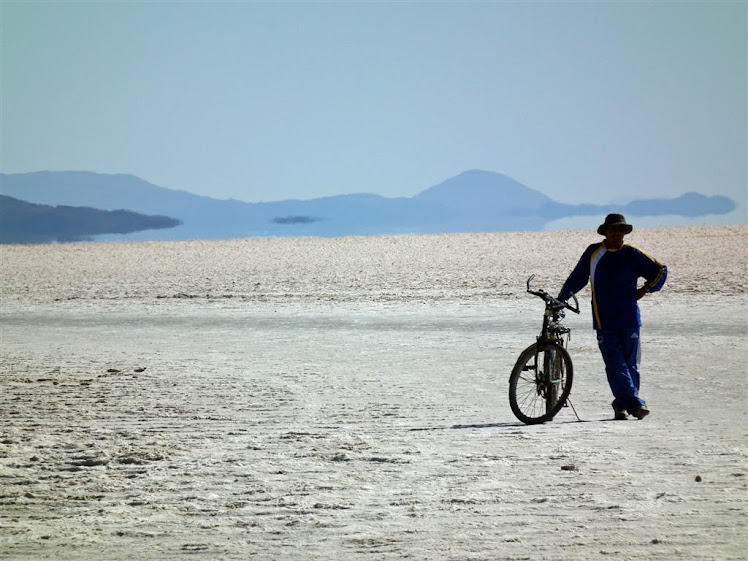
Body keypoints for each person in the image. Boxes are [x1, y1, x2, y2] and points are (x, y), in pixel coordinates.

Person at [558, 213, 667, 420]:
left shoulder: (632, 254)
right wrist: (562, 299)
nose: (616, 234)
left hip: (629, 319)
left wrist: (645, 289)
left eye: (620, 230)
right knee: (616, 364)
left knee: (631, 365)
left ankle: (621, 406)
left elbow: (660, 270)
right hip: (604, 319)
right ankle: (635, 404)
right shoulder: (594, 253)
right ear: (605, 232)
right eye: (612, 230)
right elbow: (577, 277)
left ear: (625, 233)